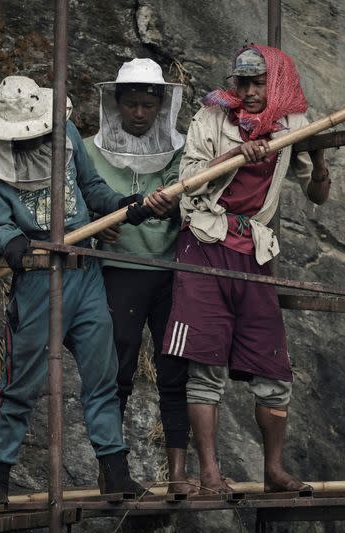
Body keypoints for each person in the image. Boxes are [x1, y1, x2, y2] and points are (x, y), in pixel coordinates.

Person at [0, 75, 152, 510]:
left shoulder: (66, 132)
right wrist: (10, 241)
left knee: (101, 374)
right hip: (37, 277)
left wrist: (118, 206)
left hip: (84, 268)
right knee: (20, 383)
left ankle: (115, 472)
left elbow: (89, 187)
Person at [157, 45, 331, 494]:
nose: (250, 93)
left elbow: (318, 196)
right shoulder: (211, 117)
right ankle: (210, 474)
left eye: (259, 84)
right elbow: (188, 176)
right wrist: (233, 158)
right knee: (205, 363)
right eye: (243, 83)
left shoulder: (292, 126)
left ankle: (273, 470)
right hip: (204, 240)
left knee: (273, 367)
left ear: (275, 84)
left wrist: (320, 159)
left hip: (254, 249)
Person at [83, 58, 195, 494]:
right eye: (131, 104)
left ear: (161, 106)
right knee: (117, 371)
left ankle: (178, 477)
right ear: (117, 104)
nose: (139, 113)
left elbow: (199, 199)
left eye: (148, 105)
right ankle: (111, 475)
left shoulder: (183, 149)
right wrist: (98, 221)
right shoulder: (91, 150)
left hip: (170, 271)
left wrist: (179, 205)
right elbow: (77, 205)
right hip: (116, 271)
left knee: (175, 371)